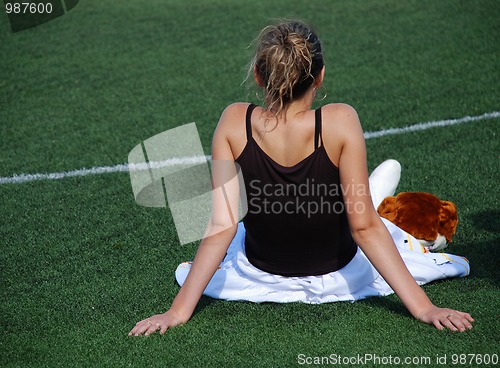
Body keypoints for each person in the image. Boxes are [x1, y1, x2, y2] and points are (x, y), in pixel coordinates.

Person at [129, 21, 474, 336]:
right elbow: (364, 228)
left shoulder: (233, 121)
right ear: (320, 76)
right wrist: (424, 307)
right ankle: (368, 189)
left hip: (258, 274)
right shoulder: (340, 120)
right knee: (367, 212)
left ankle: (368, 190)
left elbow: (222, 226)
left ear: (258, 76)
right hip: (341, 273)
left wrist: (177, 312)